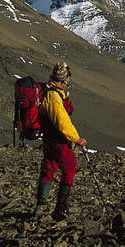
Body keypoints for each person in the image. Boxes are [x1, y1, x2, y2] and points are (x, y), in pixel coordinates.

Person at [35, 61, 87, 220]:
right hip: (58, 139)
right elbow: (62, 122)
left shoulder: (50, 91)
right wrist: (77, 139)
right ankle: (60, 208)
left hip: (49, 139)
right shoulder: (54, 97)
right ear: (64, 79)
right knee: (70, 167)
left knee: (50, 166)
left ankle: (41, 203)